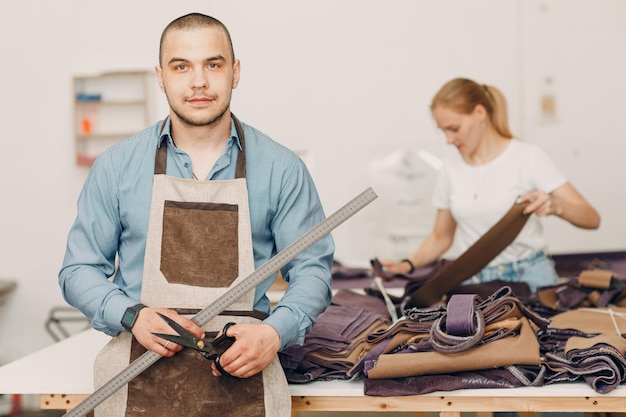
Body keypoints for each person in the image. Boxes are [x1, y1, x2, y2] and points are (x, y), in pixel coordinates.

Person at [59, 12, 334, 380]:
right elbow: (79, 269)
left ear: (235, 72)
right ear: (161, 77)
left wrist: (274, 332)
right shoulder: (116, 167)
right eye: (181, 67)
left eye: (213, 64)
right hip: (139, 373)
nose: (199, 82)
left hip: (245, 370)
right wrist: (132, 315)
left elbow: (311, 269)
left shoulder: (282, 169)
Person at [380, 77, 600, 292]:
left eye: (454, 128)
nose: (448, 139)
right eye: (443, 131)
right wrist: (408, 264)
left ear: (479, 113)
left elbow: (591, 218)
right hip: (475, 283)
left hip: (532, 279)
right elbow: (441, 237)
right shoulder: (450, 167)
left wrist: (555, 206)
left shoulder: (528, 157)